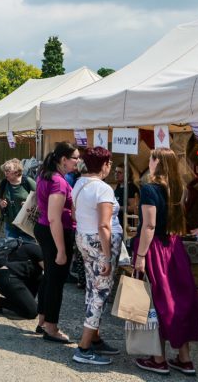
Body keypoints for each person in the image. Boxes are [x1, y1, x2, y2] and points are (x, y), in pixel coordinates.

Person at [132, 148, 198, 376]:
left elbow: (148, 226)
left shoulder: (150, 189)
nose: (148, 162)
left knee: (156, 302)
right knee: (178, 302)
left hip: (155, 250)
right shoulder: (179, 189)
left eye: (151, 158)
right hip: (174, 248)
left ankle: (158, 359)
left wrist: (140, 257)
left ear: (156, 162)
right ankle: (185, 358)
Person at [70, 146, 123, 366]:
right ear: (104, 165)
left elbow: (75, 213)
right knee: (99, 293)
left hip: (84, 239)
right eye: (109, 163)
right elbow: (104, 225)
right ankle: (83, 347)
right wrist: (108, 257)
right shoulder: (103, 189)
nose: (110, 166)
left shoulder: (79, 183)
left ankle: (94, 338)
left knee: (92, 289)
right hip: (99, 244)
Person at [34, 142, 79, 343]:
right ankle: (51, 327)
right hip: (55, 232)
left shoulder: (45, 174)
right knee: (56, 282)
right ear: (63, 160)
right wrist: (61, 249)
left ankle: (43, 320)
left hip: (46, 229)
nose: (78, 161)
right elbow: (54, 217)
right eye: (75, 157)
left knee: (49, 277)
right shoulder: (58, 182)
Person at [0, 241, 44, 319]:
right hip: (9, 279)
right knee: (32, 312)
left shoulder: (30, 246)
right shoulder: (39, 251)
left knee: (39, 278)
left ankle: (18, 302)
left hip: (4, 277)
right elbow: (50, 275)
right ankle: (0, 302)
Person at [0, 158, 36, 240]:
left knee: (26, 249)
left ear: (17, 172)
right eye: (5, 171)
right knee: (12, 250)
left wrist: (29, 203)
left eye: (8, 171)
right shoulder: (4, 182)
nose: (6, 173)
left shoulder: (28, 182)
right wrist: (1, 202)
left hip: (26, 224)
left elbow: (40, 198)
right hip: (10, 224)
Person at [113, 164, 140, 229]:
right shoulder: (118, 186)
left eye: (119, 172)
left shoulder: (131, 188)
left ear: (127, 174)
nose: (116, 174)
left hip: (128, 227)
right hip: (118, 225)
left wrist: (116, 208)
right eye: (115, 172)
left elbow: (134, 208)